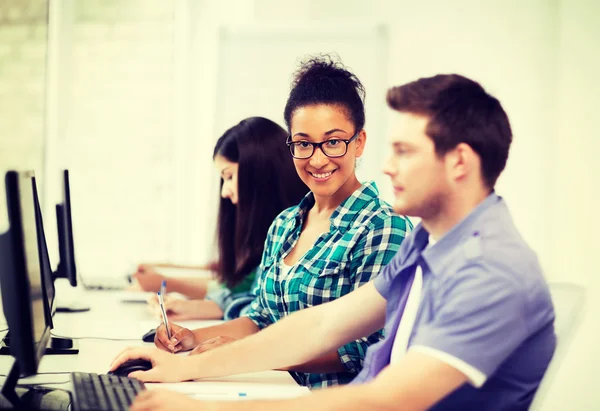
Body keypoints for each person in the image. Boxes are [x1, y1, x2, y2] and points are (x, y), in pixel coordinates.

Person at [111, 73, 557, 411]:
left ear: (459, 161)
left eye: (404, 151)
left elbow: (387, 400)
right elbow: (321, 326)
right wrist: (184, 367)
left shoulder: (490, 270)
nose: (387, 166)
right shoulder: (430, 241)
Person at [133, 55, 411, 389]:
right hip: (268, 386)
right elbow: (261, 319)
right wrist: (193, 337)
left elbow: (367, 349)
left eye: (334, 142)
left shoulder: (382, 228)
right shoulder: (283, 226)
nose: (318, 158)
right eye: (304, 143)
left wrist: (243, 355)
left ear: (359, 142)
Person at [142, 116, 309, 320]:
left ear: (259, 174)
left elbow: (261, 310)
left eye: (229, 177)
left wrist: (170, 285)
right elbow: (246, 296)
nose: (225, 192)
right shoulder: (271, 231)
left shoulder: (299, 229)